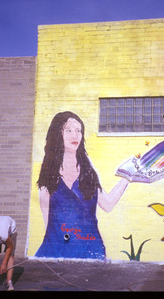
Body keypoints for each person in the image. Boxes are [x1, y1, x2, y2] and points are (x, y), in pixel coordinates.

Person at [35, 111, 132, 259]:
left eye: (78, 131)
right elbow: (47, 220)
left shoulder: (87, 169)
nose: (75, 135)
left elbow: (107, 204)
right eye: (68, 130)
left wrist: (127, 178)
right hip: (56, 251)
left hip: (90, 250)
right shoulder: (48, 171)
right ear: (57, 134)